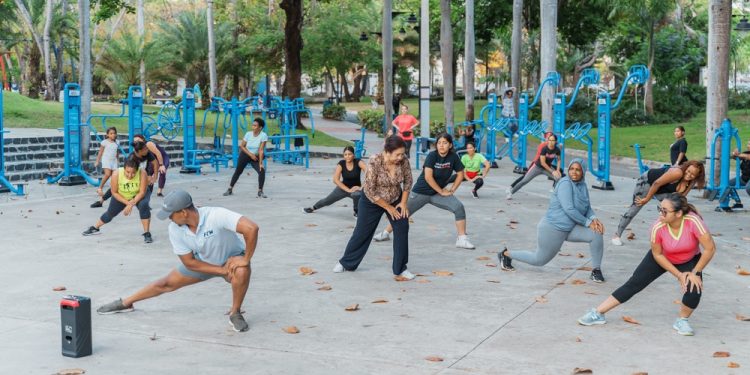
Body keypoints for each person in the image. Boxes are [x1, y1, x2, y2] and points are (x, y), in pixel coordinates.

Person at [96, 190, 259, 333]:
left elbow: (251, 228)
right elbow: (189, 262)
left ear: (183, 212)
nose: (169, 219)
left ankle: (235, 312)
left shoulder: (215, 215)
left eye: (171, 214)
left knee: (242, 271)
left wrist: (245, 259)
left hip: (232, 259)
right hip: (203, 262)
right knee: (165, 283)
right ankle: (126, 303)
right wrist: (221, 271)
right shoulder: (175, 228)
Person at [578, 193, 716, 336]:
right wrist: (679, 275)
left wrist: (695, 272)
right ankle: (598, 313)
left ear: (678, 213)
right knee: (634, 283)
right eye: (659, 208)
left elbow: (710, 248)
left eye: (665, 211)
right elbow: (657, 254)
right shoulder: (657, 227)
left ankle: (682, 320)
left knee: (694, 288)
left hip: (689, 259)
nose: (660, 213)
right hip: (662, 257)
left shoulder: (693, 221)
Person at [497, 159, 606, 282]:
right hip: (552, 229)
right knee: (539, 260)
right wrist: (588, 223)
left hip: (570, 228)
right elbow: (569, 209)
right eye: (571, 169)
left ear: (583, 172)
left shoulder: (582, 186)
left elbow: (587, 207)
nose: (574, 172)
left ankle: (596, 270)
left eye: (578, 169)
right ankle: (506, 254)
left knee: (596, 233)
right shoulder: (565, 184)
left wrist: (594, 219)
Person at [373, 133, 475, 249]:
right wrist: (441, 191)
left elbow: (460, 174)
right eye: (439, 143)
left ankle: (462, 239)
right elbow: (428, 177)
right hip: (420, 192)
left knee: (458, 207)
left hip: (437, 193)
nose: (441, 145)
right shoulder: (432, 156)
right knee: (403, 212)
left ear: (450, 145)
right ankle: (385, 233)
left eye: (445, 143)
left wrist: (452, 190)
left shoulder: (453, 157)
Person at [333, 136, 414, 280]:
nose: (401, 157)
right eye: (398, 154)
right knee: (362, 232)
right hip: (372, 200)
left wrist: (403, 203)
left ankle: (400, 269)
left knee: (402, 226)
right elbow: (370, 190)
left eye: (403, 154)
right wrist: (388, 208)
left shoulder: (403, 161)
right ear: (387, 152)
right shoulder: (375, 160)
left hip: (395, 197)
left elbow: (408, 181)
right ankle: (346, 263)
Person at [611, 160, 705, 246]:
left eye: (692, 174)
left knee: (675, 210)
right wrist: (647, 199)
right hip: (648, 181)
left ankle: (672, 239)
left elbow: (681, 198)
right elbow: (656, 183)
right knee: (635, 207)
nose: (689, 175)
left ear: (697, 176)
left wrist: (691, 212)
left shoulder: (691, 182)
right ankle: (616, 235)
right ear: (686, 168)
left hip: (662, 190)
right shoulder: (678, 173)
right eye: (688, 171)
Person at [82, 155, 153, 243]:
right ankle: (95, 228)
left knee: (143, 205)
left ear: (137, 170)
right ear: (124, 168)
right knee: (110, 213)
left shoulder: (142, 173)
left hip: (138, 194)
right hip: (122, 194)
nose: (130, 175)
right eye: (127, 172)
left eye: (133, 173)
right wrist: (128, 203)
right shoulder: (116, 174)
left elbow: (142, 192)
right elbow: (114, 192)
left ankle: (147, 233)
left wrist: (131, 203)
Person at [91, 138, 161, 207]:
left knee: (149, 184)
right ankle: (101, 201)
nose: (147, 150)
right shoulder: (132, 159)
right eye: (145, 149)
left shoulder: (147, 153)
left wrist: (154, 177)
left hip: (142, 173)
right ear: (140, 151)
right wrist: (145, 177)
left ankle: (144, 203)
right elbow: (129, 174)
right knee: (116, 186)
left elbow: (155, 163)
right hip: (131, 175)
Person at [304, 146, 368, 216]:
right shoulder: (341, 163)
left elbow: (370, 174)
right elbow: (335, 180)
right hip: (343, 188)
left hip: (356, 189)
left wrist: (361, 187)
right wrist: (348, 190)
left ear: (353, 155)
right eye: (345, 154)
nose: (347, 156)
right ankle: (313, 208)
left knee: (357, 195)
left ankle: (357, 212)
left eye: (349, 154)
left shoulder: (358, 162)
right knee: (327, 201)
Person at [506, 133, 562, 199]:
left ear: (555, 141)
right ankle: (511, 192)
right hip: (537, 167)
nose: (551, 142)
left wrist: (558, 170)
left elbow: (558, 160)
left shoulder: (557, 149)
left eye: (553, 140)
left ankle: (555, 193)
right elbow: (543, 163)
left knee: (558, 178)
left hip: (547, 168)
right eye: (549, 140)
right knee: (524, 181)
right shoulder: (544, 149)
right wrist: (553, 171)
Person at [223, 118, 268, 198]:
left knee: (262, 171)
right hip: (246, 154)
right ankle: (230, 189)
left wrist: (261, 163)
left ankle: (260, 191)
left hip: (256, 156)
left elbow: (261, 150)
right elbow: (242, 146)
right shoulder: (248, 134)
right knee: (238, 171)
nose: (253, 127)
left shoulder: (263, 135)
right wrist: (250, 155)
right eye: (252, 125)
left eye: (255, 125)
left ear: (260, 128)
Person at [92, 127, 119, 207]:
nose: (113, 135)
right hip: (106, 160)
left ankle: (114, 190)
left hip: (114, 161)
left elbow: (117, 152)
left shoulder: (117, 142)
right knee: (107, 174)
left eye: (114, 133)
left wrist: (118, 160)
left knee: (115, 177)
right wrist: (97, 161)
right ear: (107, 134)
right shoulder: (104, 142)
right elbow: (100, 152)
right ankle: (100, 188)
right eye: (111, 133)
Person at [721, 140, 750, 208]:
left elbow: (747, 156)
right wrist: (734, 153)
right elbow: (733, 157)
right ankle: (738, 202)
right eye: (748, 143)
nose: (748, 146)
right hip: (744, 178)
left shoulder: (746, 155)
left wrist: (739, 155)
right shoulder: (745, 153)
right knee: (727, 184)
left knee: (749, 188)